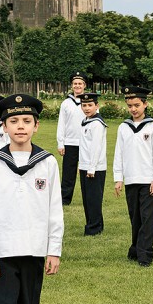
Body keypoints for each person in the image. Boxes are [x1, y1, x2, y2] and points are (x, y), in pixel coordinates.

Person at [0, 93, 63, 304]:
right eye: (14, 121)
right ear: (4, 126)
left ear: (36, 125)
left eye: (27, 120)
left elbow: (54, 210)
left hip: (35, 248)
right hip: (3, 250)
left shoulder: (47, 163)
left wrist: (54, 250)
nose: (21, 126)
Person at [112, 86, 153, 266]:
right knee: (135, 217)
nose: (133, 109)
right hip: (131, 179)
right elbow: (119, 153)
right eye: (130, 105)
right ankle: (135, 248)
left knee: (147, 218)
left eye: (137, 105)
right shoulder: (123, 127)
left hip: (148, 180)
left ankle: (145, 255)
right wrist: (119, 178)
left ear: (145, 104)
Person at [77, 92, 107, 236]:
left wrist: (92, 168)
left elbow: (96, 147)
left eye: (90, 105)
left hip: (94, 168)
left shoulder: (97, 124)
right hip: (85, 165)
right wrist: (81, 164)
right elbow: (83, 146)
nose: (87, 108)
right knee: (87, 199)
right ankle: (95, 224)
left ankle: (94, 228)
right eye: (84, 105)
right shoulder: (85, 121)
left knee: (93, 199)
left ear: (97, 106)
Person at [56, 70, 88, 205]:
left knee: (87, 172)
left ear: (84, 85)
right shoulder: (66, 103)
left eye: (80, 83)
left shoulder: (89, 102)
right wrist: (60, 143)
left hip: (86, 142)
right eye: (75, 83)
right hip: (70, 142)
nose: (77, 86)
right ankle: (65, 199)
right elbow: (61, 124)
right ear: (72, 85)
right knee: (68, 173)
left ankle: (88, 197)